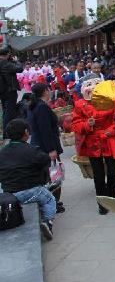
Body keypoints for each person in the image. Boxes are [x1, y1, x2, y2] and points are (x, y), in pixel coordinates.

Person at [72, 79, 115, 215]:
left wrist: (111, 131)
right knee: (98, 175)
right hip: (92, 143)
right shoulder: (79, 105)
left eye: (96, 85)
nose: (93, 88)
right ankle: (102, 201)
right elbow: (76, 125)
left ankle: (111, 190)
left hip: (109, 140)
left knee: (113, 171)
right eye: (89, 85)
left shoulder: (110, 100)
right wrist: (87, 124)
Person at [0, 119, 55, 239]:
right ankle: (48, 223)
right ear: (26, 132)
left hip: (8, 193)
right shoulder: (31, 150)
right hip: (28, 191)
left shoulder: (2, 152)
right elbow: (45, 160)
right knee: (49, 199)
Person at [27, 83, 65, 213]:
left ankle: (52, 202)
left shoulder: (35, 106)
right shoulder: (42, 107)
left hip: (39, 146)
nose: (50, 92)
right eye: (49, 90)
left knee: (49, 176)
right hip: (46, 147)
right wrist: (51, 149)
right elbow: (45, 130)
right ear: (45, 91)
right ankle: (53, 203)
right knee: (53, 177)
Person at [0, 48, 23, 137]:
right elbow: (19, 69)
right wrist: (16, 61)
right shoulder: (5, 63)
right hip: (9, 90)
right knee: (9, 111)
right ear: (7, 54)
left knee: (6, 111)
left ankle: (6, 131)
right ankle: (7, 133)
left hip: (3, 91)